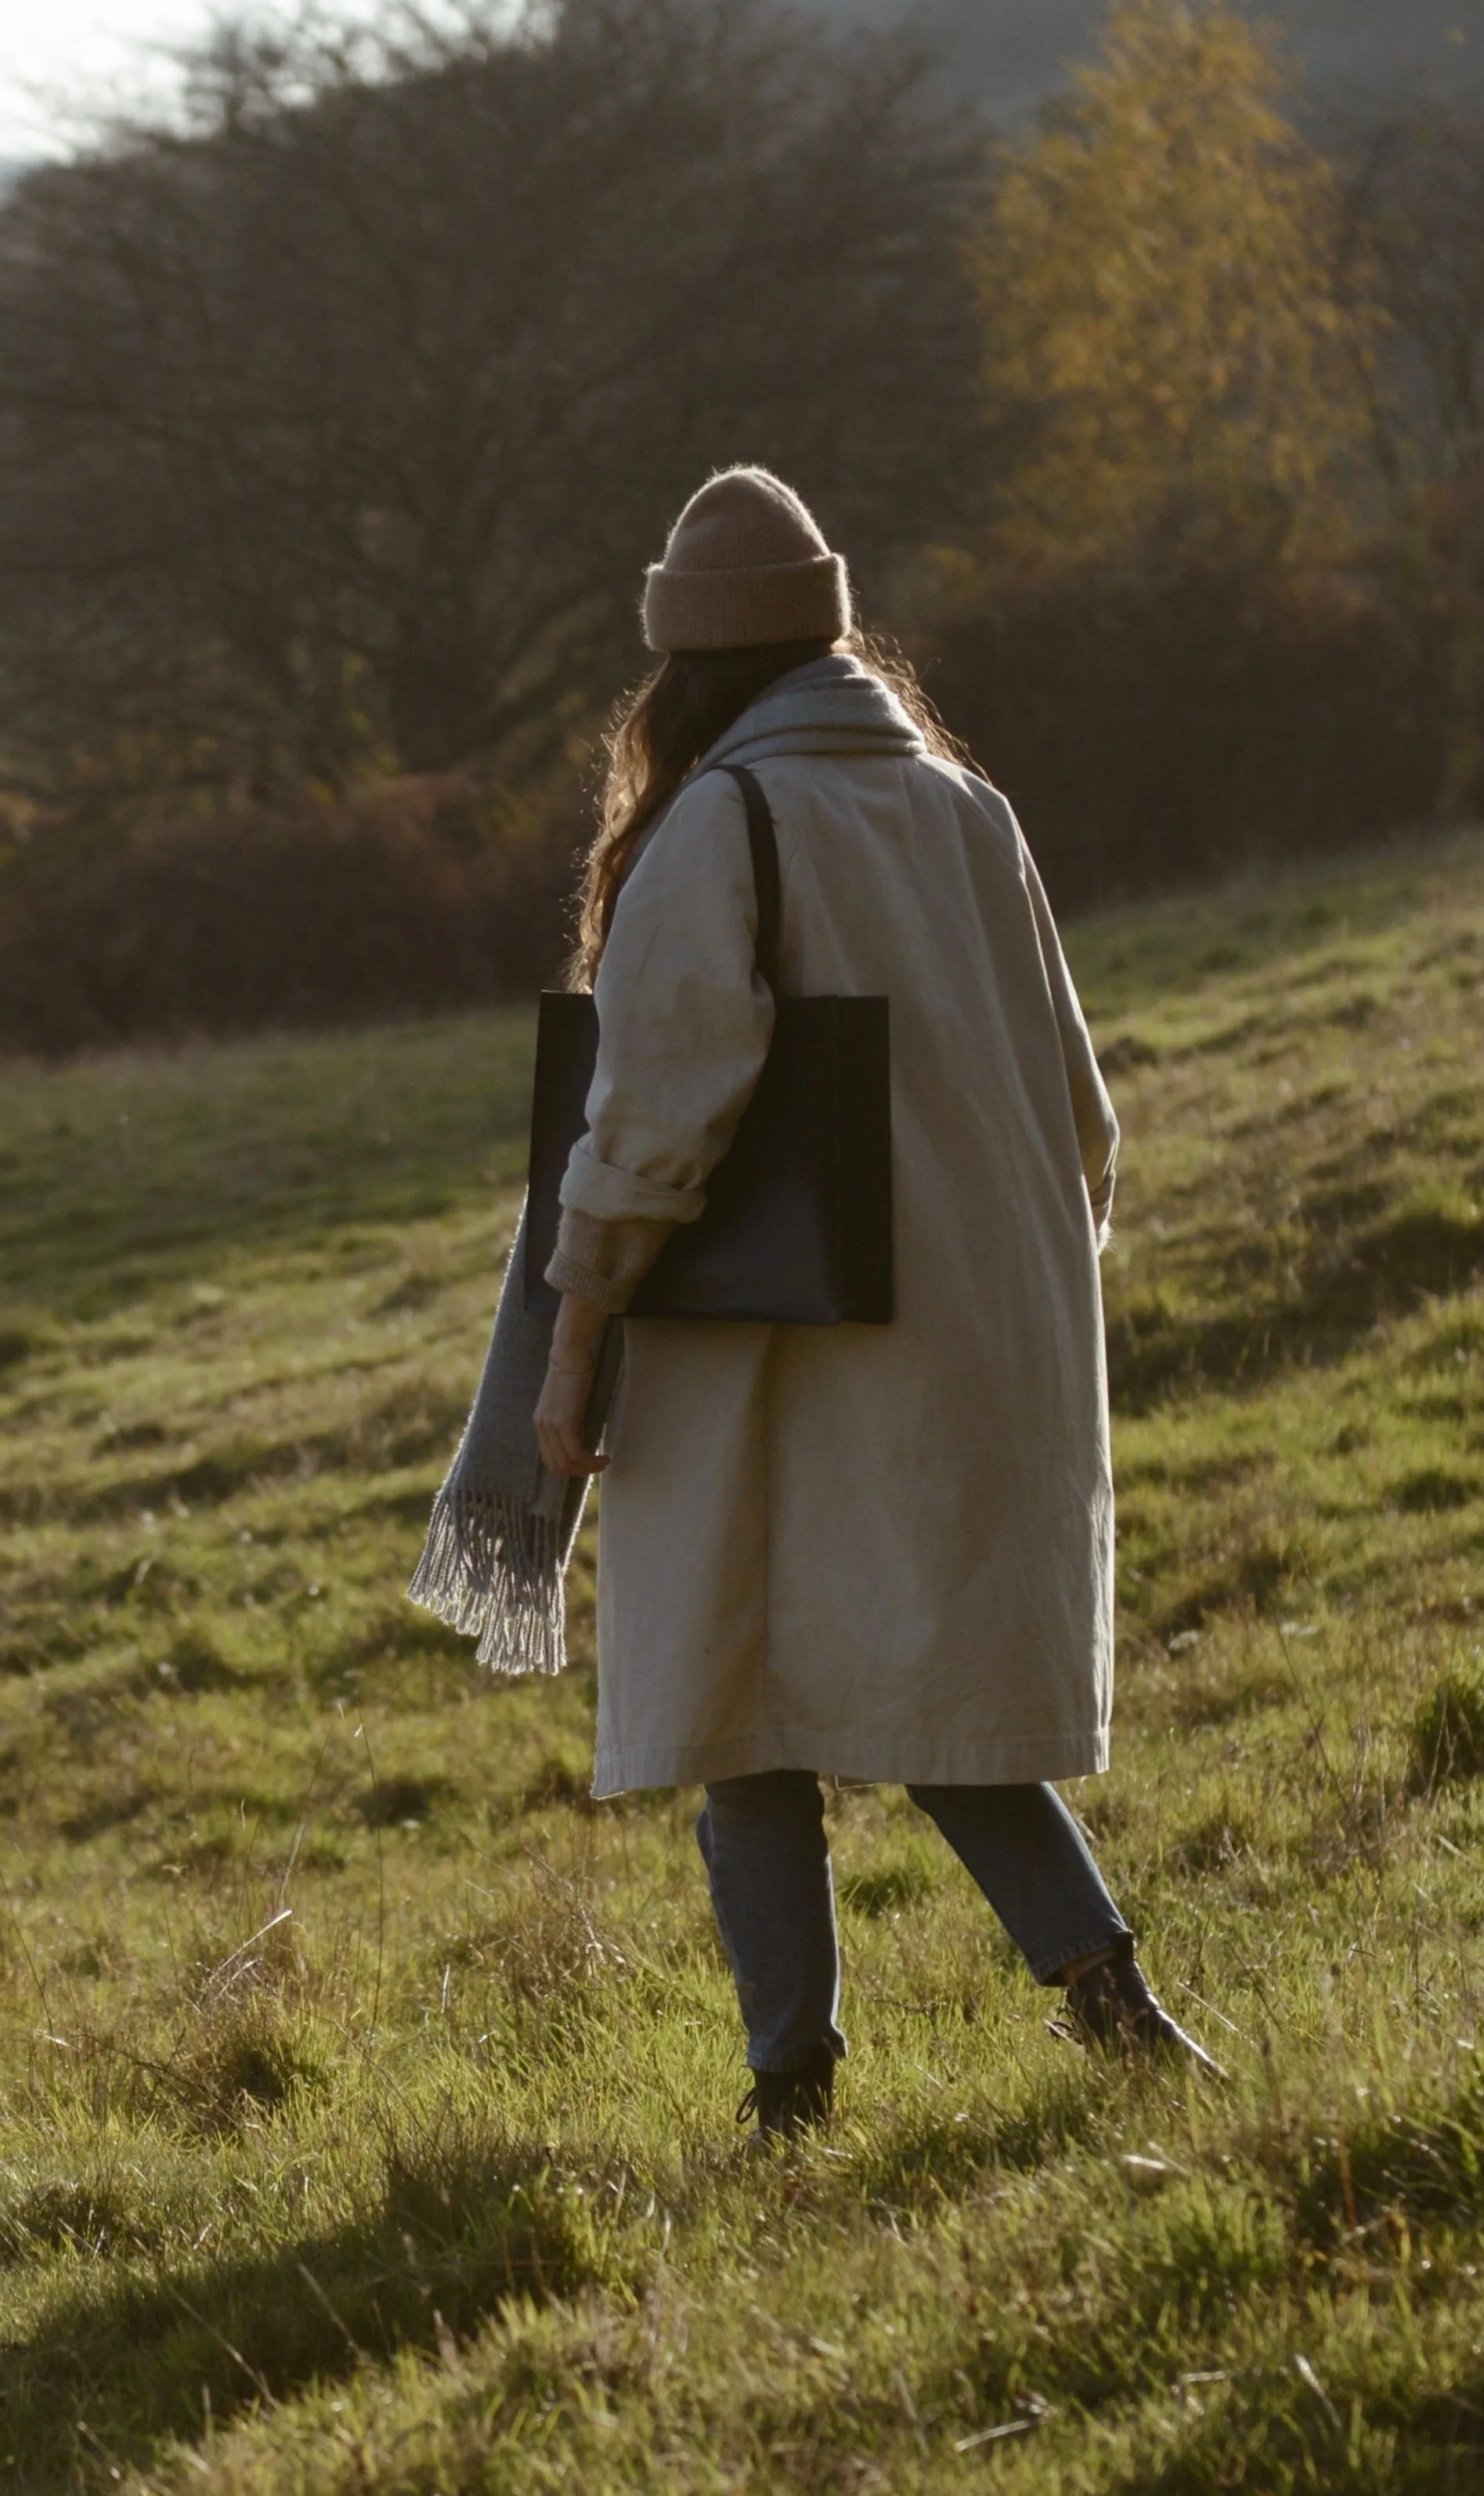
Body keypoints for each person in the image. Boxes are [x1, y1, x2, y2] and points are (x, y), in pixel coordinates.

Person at [529, 467, 1221, 2140]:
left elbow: (653, 1118)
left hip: (763, 1344)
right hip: (970, 1327)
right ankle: (1113, 2002)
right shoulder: (967, 807)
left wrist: (574, 1341)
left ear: (684, 668)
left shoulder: (724, 822)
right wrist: (1018, 1291)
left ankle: (792, 2091)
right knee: (944, 1694)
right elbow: (1084, 1112)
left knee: (738, 1687)